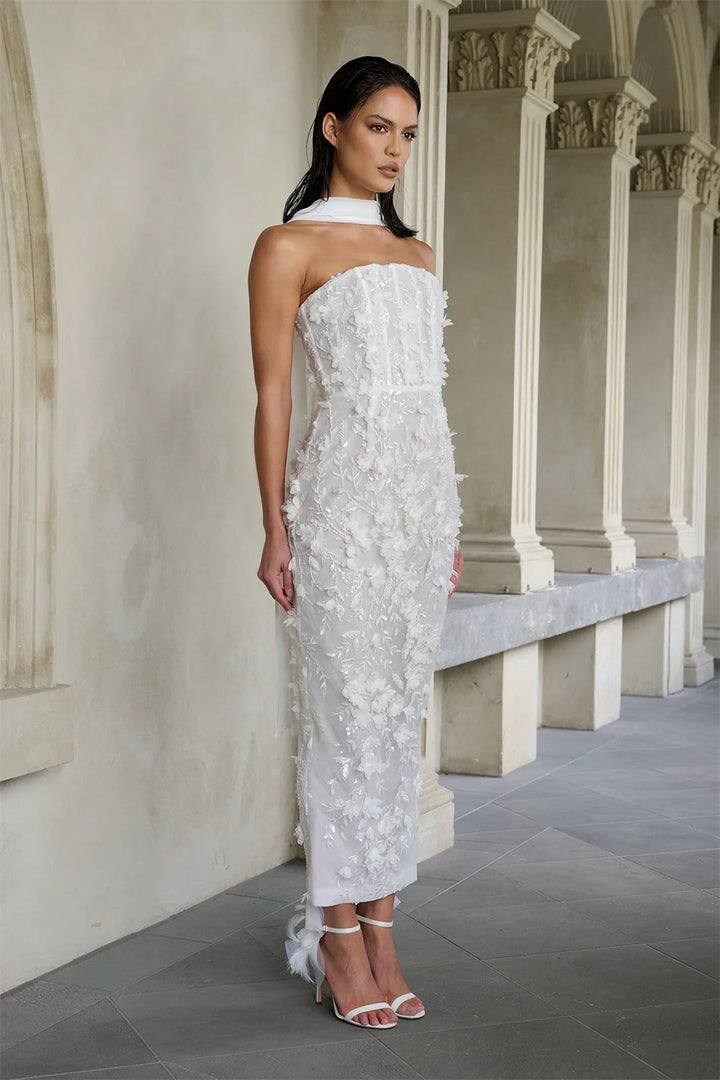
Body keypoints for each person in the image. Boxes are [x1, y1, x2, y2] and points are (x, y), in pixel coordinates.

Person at [248, 55, 465, 1030]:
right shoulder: (287, 245)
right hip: (336, 513)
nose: (396, 149)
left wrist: (448, 523)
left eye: (408, 133)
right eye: (381, 127)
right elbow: (274, 397)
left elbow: (431, 404)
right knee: (343, 723)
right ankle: (338, 935)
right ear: (333, 125)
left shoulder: (420, 256)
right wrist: (273, 530)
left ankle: (384, 926)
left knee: (392, 730)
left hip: (420, 521)